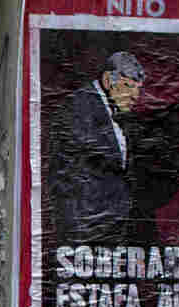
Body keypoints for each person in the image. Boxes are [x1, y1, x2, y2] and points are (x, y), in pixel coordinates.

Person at [49, 52, 145, 244]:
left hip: (108, 228)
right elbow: (66, 175)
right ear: (109, 80)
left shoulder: (114, 109)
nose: (135, 96)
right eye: (128, 86)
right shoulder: (80, 106)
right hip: (86, 231)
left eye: (138, 89)